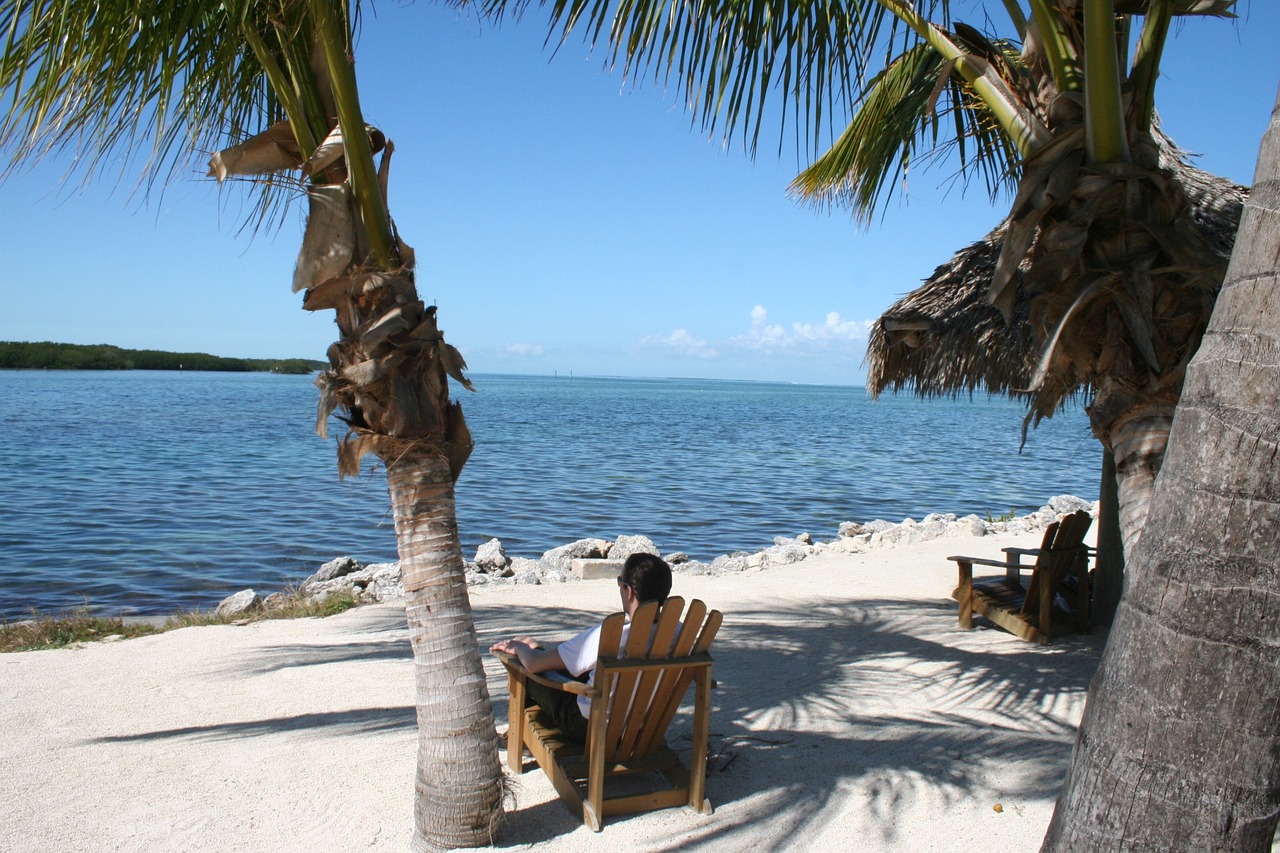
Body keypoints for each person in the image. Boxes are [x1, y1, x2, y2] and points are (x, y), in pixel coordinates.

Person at [489, 552, 673, 744]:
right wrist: (535, 649)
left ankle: (520, 740)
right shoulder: (679, 633)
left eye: (620, 582)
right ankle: (537, 650)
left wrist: (520, 648)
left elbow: (534, 665)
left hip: (589, 726)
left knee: (523, 666)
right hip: (646, 726)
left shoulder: (610, 636)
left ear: (628, 591)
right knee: (554, 661)